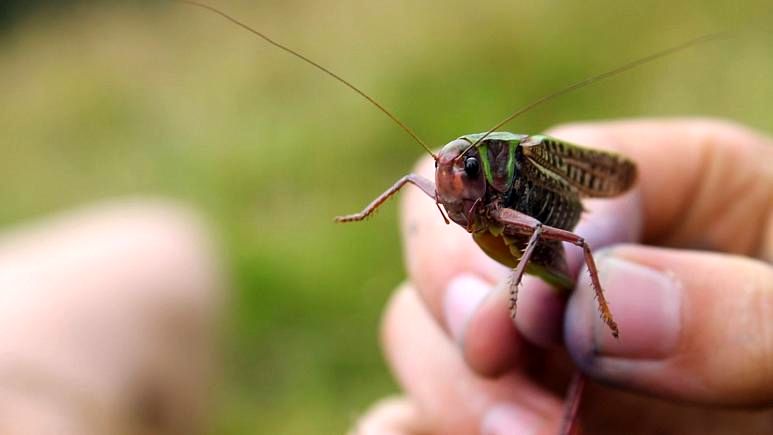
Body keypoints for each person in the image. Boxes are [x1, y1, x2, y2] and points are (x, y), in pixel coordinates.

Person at [353, 119, 773, 434]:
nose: (452, 181)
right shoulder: (459, 177)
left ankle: (606, 312)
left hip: (550, 215)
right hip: (517, 241)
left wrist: (515, 286)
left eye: (464, 171)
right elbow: (414, 179)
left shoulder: (512, 158)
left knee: (572, 243)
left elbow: (537, 229)